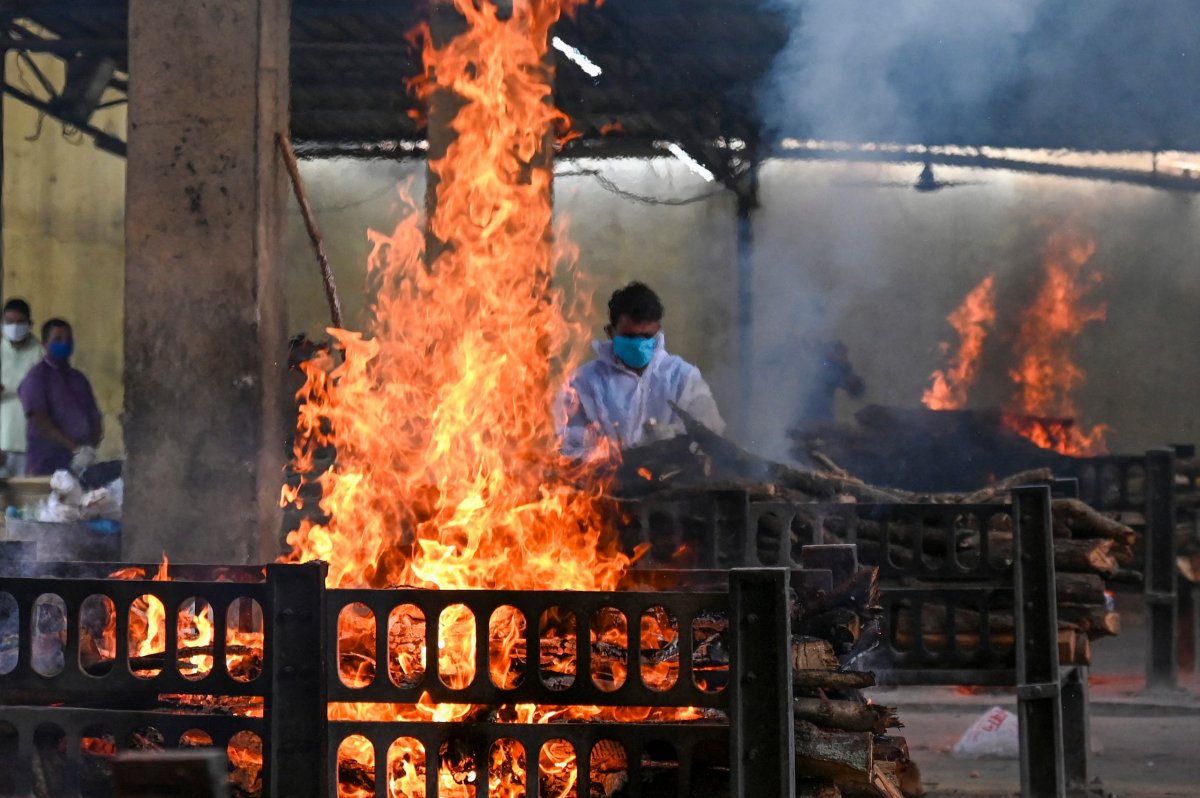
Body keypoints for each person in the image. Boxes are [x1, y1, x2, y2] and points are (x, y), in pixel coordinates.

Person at [558, 281, 725, 458]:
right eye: (629, 336)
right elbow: (563, 442)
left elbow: (711, 434)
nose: (638, 345)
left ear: (657, 331)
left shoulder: (682, 377)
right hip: (606, 482)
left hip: (673, 482)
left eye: (646, 337)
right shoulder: (583, 382)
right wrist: (608, 452)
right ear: (610, 332)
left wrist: (673, 437)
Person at [18, 318, 103, 476]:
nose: (65, 343)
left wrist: (90, 448)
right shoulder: (37, 377)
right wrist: (75, 448)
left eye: (68, 339)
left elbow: (93, 414)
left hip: (79, 462)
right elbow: (40, 421)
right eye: (58, 339)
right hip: (46, 462)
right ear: (45, 344)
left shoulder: (78, 378)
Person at [0, 298, 41, 477]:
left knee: (27, 499)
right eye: (9, 322)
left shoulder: (41, 353)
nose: (14, 327)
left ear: (30, 324)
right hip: (2, 441)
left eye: (20, 322)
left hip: (30, 443)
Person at [795, 339, 865, 425]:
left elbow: (856, 391)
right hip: (797, 419)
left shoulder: (836, 369)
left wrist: (845, 368)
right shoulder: (804, 361)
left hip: (822, 422)